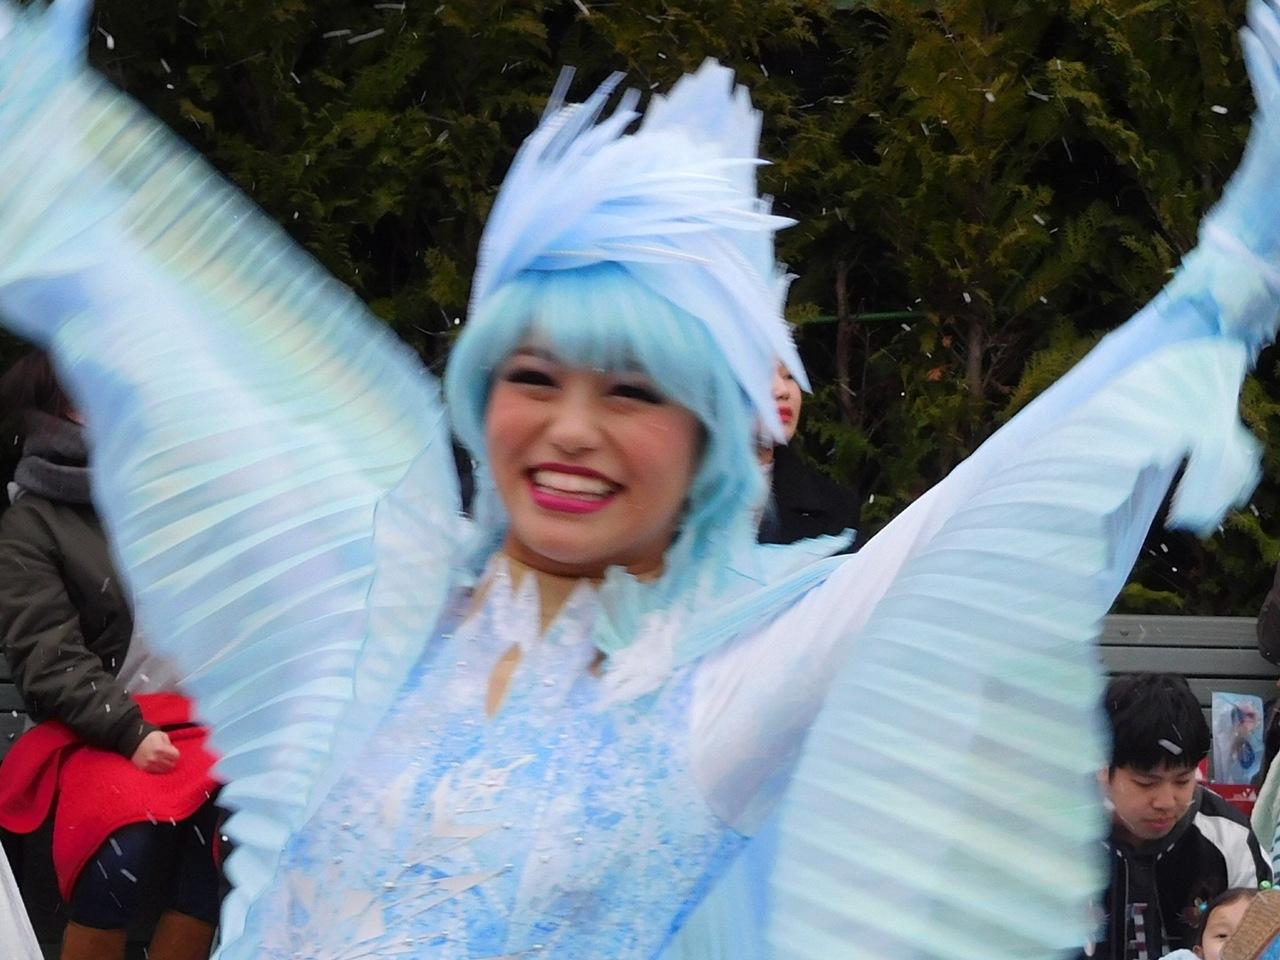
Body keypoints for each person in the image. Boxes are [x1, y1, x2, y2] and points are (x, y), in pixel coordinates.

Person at [4, 2, 1280, 958]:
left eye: (630, 392)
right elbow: (183, 339)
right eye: (533, 375)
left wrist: (1218, 293)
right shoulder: (377, 587)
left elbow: (984, 523)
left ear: (714, 438)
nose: (570, 430)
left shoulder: (721, 693)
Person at [0, 351, 222, 960]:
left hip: (203, 721)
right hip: (97, 730)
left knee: (230, 836)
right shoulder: (33, 524)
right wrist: (129, 731)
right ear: (61, 412)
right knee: (127, 842)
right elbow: (47, 659)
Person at [1090, 674, 1271, 960]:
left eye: (1183, 780)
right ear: (1102, 770)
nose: (1166, 802)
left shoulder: (1230, 839)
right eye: (1146, 783)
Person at [757, 362, 859, 547]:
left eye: (789, 376)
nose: (783, 391)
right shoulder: (697, 497)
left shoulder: (836, 508)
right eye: (761, 375)